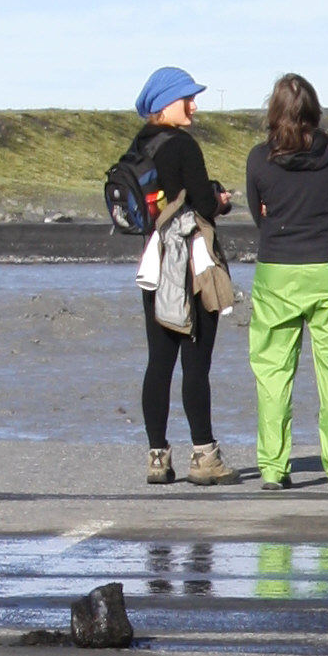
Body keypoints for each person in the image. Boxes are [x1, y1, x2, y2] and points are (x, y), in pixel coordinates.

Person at [244, 74, 328, 491]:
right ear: (314, 109)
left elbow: (259, 218)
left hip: (278, 268)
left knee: (273, 371)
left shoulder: (259, 159)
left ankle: (274, 468)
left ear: (273, 112)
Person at [127, 67, 237, 487]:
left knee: (158, 361)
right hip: (189, 265)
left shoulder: (139, 146)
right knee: (195, 363)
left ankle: (157, 458)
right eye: (186, 98)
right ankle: (204, 456)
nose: (193, 105)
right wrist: (220, 200)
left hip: (154, 263)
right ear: (162, 105)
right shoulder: (184, 145)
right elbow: (204, 206)